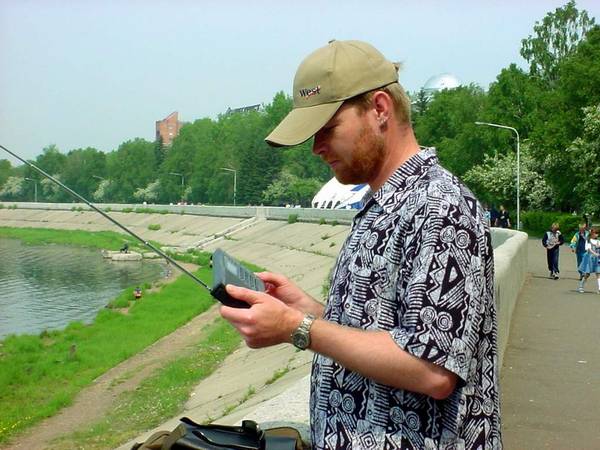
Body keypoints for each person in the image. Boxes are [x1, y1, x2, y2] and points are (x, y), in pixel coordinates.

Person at [219, 40, 501, 449]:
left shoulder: (440, 207)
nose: (316, 148)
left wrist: (297, 328)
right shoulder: (382, 204)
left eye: (327, 130)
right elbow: (389, 333)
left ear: (380, 109)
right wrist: (312, 310)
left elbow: (432, 370)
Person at [577, 227, 600, 293]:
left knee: (598, 273)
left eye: (597, 233)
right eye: (595, 233)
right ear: (592, 233)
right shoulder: (588, 240)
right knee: (587, 274)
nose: (597, 235)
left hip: (597, 259)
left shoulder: (598, 241)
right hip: (590, 259)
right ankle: (581, 286)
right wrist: (595, 253)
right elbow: (589, 249)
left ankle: (599, 288)